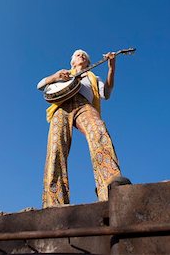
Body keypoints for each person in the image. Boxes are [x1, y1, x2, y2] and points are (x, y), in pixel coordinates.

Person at [37, 49, 123, 208]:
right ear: (72, 62)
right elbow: (40, 85)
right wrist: (55, 76)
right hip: (62, 106)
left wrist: (111, 67)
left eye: (84, 55)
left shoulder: (92, 77)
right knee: (56, 146)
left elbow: (107, 92)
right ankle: (54, 200)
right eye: (78, 55)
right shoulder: (63, 75)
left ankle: (111, 183)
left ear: (88, 63)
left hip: (84, 105)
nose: (81, 56)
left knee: (99, 131)